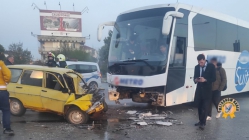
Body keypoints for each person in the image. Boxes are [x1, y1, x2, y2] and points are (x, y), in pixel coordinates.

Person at [193, 54, 216, 130]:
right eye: (199, 62)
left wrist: (205, 80)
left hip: (207, 90)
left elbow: (214, 78)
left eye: (201, 62)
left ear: (204, 60)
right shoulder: (196, 67)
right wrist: (196, 80)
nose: (200, 64)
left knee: (205, 107)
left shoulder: (211, 66)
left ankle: (203, 122)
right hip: (199, 89)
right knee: (199, 106)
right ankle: (200, 121)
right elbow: (195, 77)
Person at [0, 55, 14, 135]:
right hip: (2, 91)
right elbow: (8, 75)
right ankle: (7, 128)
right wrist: (6, 82)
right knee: (5, 110)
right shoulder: (1, 64)